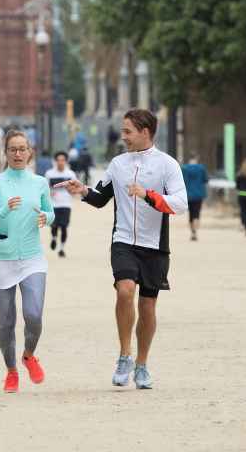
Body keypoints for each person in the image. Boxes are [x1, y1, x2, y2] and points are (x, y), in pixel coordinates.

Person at [56, 108, 187, 390]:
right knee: (125, 289)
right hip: (123, 240)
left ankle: (141, 364)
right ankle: (124, 355)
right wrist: (82, 190)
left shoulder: (167, 165)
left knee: (148, 306)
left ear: (145, 132)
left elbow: (180, 203)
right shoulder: (118, 164)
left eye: (128, 131)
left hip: (155, 246)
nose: (123, 136)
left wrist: (149, 195)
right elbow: (101, 197)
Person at [0, 130, 55, 393]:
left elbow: (50, 211)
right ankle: (11, 371)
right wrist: (4, 209)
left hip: (33, 258)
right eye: (13, 149)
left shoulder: (39, 182)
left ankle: (28, 355)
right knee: (7, 321)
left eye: (23, 149)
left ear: (30, 152)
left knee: (33, 315)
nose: (18, 154)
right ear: (6, 152)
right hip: (2, 260)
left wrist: (46, 217)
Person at [44, 151, 76, 258]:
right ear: (55, 161)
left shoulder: (70, 174)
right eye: (58, 160)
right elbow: (44, 188)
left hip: (66, 204)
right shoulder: (49, 174)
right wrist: (49, 192)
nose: (60, 162)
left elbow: (75, 188)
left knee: (64, 227)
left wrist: (72, 191)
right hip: (53, 204)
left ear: (66, 161)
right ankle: (53, 238)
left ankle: (61, 248)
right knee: (54, 225)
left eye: (63, 160)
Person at [181, 155, 209, 241]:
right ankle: (195, 232)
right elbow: (206, 180)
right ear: (196, 160)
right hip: (199, 194)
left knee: (191, 214)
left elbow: (182, 181)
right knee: (197, 213)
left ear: (189, 160)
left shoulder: (185, 168)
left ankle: (192, 232)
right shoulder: (201, 168)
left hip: (188, 194)